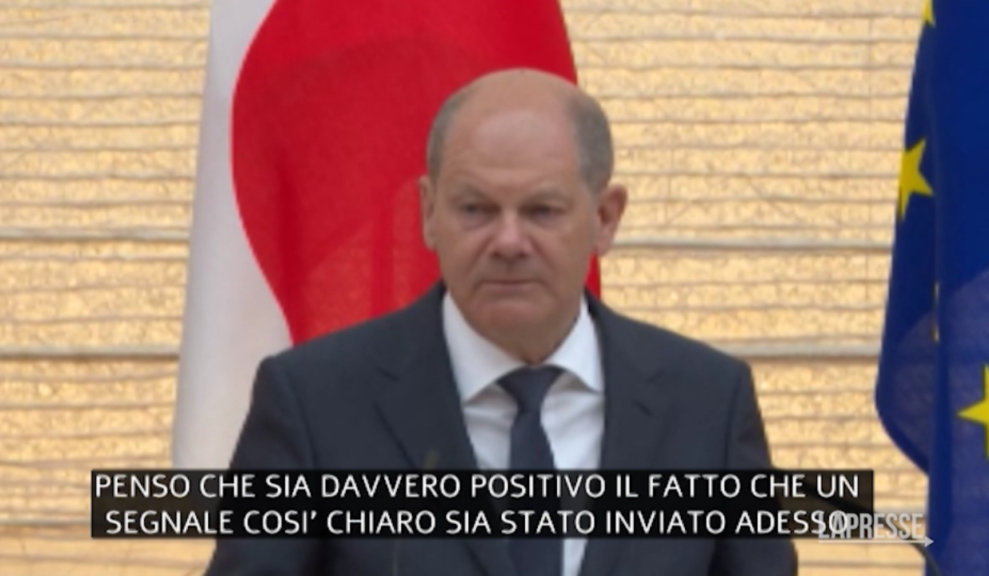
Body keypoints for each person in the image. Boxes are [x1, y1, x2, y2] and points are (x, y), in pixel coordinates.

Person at [205, 68, 797, 576]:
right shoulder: (314, 402)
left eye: (542, 210)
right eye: (476, 209)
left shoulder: (707, 403)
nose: (508, 242)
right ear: (429, 213)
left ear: (605, 217)